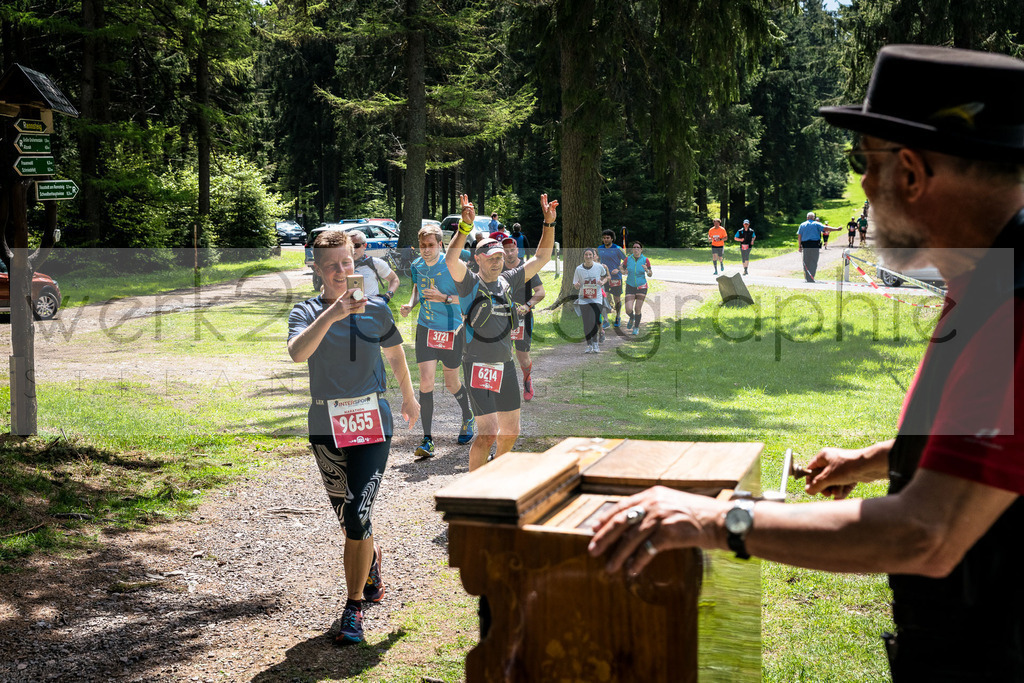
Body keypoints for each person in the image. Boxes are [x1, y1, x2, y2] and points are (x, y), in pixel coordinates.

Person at [588, 44, 1024, 681]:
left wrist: (716, 519)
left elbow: (925, 534)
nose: (864, 187)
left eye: (862, 162)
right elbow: (992, 447)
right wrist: (876, 459)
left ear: (908, 170)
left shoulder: (1012, 307)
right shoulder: (989, 280)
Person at [287, 230, 419, 644]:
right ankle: (371, 557)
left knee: (358, 513)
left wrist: (410, 398)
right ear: (317, 269)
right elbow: (297, 353)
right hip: (326, 422)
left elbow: (395, 354)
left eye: (347, 262)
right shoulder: (306, 311)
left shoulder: (376, 308)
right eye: (332, 266)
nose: (341, 271)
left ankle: (353, 607)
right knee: (350, 518)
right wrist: (334, 313)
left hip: (372, 418)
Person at [445, 193, 559, 471]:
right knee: (487, 433)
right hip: (477, 364)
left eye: (499, 257)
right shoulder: (469, 283)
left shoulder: (509, 280)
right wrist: (464, 227)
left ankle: (494, 471)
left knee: (511, 431)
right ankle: (473, 486)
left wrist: (548, 224)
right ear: (477, 259)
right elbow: (450, 260)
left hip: (505, 364)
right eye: (490, 257)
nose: (496, 262)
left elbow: (542, 257)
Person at [400, 225, 476, 459]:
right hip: (426, 328)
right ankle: (427, 439)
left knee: (452, 383)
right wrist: (411, 304)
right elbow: (417, 289)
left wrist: (443, 298)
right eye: (422, 246)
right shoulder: (417, 266)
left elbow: (468, 298)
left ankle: (468, 415)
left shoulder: (452, 265)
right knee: (426, 381)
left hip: (452, 329)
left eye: (431, 245)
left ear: (440, 244)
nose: (426, 250)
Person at [502, 236, 545, 401]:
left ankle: (527, 380)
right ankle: (504, 388)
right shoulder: (497, 268)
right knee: (502, 354)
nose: (509, 253)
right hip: (501, 318)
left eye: (512, 250)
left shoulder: (526, 268)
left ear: (517, 250)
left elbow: (540, 292)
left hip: (522, 318)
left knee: (523, 357)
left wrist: (527, 305)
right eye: (506, 251)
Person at [348, 231, 400, 301]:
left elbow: (394, 279)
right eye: (349, 246)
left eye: (356, 246)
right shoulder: (339, 266)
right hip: (346, 307)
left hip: (370, 306)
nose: (352, 249)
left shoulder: (375, 263)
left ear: (365, 246)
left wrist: (387, 296)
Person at [573, 247, 608, 353]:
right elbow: (575, 284)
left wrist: (603, 282)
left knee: (593, 320)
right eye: (586, 255)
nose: (588, 257)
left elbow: (605, 277)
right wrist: (577, 285)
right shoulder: (579, 269)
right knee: (586, 322)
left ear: (594, 256)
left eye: (590, 255)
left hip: (596, 298)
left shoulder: (599, 267)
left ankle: (595, 343)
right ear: (583, 256)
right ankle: (589, 344)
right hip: (584, 298)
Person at [597, 228, 627, 329]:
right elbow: (597, 260)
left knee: (617, 298)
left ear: (612, 239)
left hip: (615, 278)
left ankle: (618, 317)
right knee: (603, 297)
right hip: (604, 278)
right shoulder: (600, 248)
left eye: (608, 238)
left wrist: (618, 269)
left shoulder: (618, 249)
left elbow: (626, 261)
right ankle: (605, 320)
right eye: (604, 238)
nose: (605, 240)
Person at [796, 212, 838, 282]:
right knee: (813, 261)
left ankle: (807, 277)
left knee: (806, 261)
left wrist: (799, 246)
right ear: (813, 218)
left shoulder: (802, 225)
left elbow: (799, 236)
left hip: (806, 245)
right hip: (815, 245)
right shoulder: (817, 224)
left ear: (807, 218)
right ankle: (811, 277)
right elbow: (826, 228)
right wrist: (836, 229)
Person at [623, 241, 653, 335]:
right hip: (630, 286)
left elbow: (650, 274)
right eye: (634, 247)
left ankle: (636, 327)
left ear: (641, 249)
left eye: (638, 247)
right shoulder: (628, 259)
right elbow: (622, 268)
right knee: (628, 309)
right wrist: (623, 271)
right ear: (632, 249)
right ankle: (632, 318)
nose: (636, 249)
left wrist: (647, 270)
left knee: (637, 309)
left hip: (642, 287)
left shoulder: (645, 260)